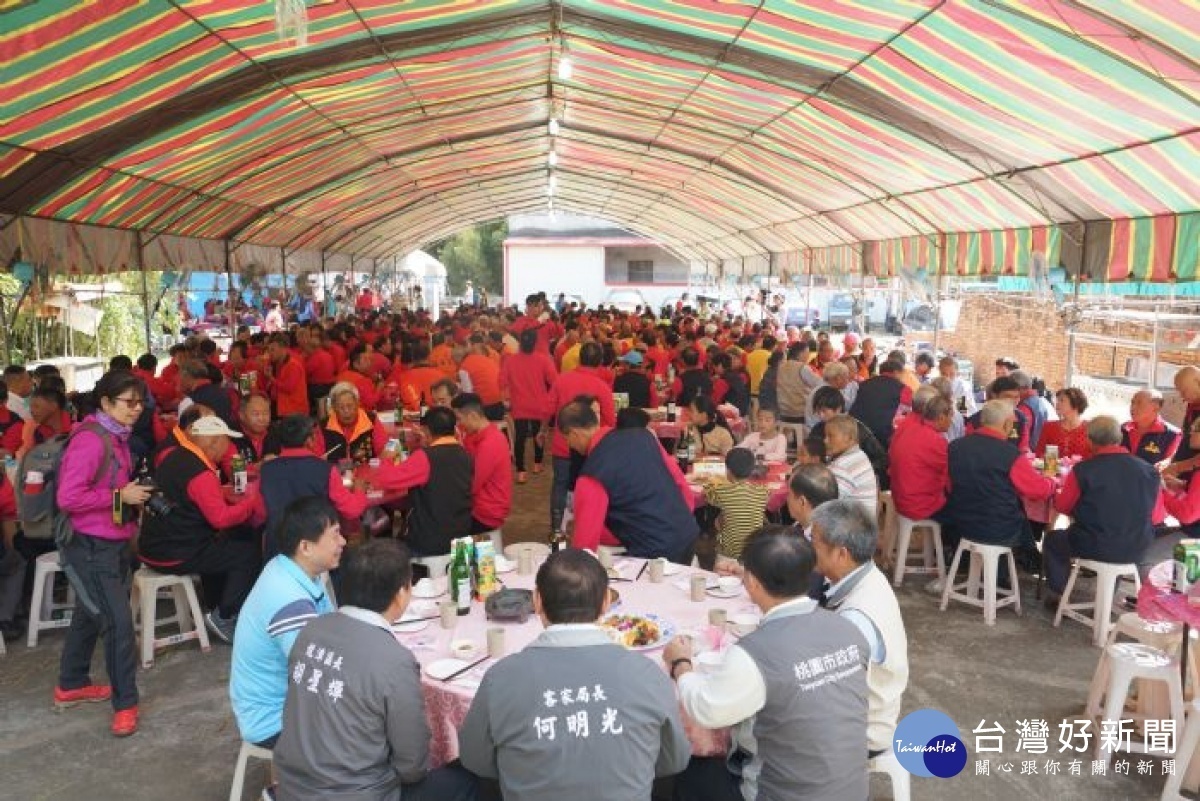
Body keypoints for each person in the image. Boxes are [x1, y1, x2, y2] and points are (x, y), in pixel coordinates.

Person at [458, 549, 691, 800]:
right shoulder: (648, 675)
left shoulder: (500, 679)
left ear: (537, 602)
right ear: (605, 602)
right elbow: (673, 761)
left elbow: (475, 760)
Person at [665, 526, 869, 801]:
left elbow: (704, 710)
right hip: (851, 790)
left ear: (751, 582)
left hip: (779, 793)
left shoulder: (753, 654)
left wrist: (680, 664)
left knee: (689, 769)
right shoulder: (846, 628)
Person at [274, 539, 477, 801]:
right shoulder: (394, 661)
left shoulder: (311, 631)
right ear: (401, 593)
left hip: (292, 789)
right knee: (471, 777)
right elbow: (412, 765)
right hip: (360, 795)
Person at [54, 370, 153, 737]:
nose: (136, 409)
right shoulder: (92, 441)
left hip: (110, 541)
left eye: (140, 402)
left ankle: (71, 682)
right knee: (118, 624)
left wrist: (130, 499)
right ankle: (125, 704)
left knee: (88, 611)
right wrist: (118, 497)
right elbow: (69, 497)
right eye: (129, 402)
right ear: (107, 403)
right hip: (90, 545)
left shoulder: (118, 437)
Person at [230, 497, 343, 759]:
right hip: (273, 721)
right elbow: (315, 675)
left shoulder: (288, 568)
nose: (343, 542)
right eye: (335, 535)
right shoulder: (290, 600)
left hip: (284, 701)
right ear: (305, 546)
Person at [137, 416, 263, 643]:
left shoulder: (172, 456)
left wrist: (222, 493)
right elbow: (221, 519)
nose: (228, 450)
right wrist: (251, 503)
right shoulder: (200, 474)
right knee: (247, 553)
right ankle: (223, 616)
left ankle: (215, 603)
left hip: (150, 546)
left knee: (228, 544)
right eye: (226, 442)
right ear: (213, 443)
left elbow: (186, 496)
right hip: (177, 553)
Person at [809, 499, 909, 759]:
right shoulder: (866, 574)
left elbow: (834, 698)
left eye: (815, 541)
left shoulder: (856, 618)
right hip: (869, 710)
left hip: (863, 733)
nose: (810, 547)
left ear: (841, 553)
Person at [559, 401, 698, 563]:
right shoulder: (644, 436)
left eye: (566, 439)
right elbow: (681, 485)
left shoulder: (593, 473)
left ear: (574, 433)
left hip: (654, 553)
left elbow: (584, 547)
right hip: (686, 533)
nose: (570, 445)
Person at [1044, 416, 1163, 603]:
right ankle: (1106, 599)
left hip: (1093, 543)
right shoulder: (1149, 471)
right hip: (1138, 547)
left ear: (1090, 441)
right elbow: (1156, 517)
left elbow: (1062, 506)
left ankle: (1057, 594)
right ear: (1119, 439)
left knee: (1053, 541)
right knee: (1116, 542)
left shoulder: (1084, 469)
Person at [941, 400, 1055, 569]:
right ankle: (1017, 567)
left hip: (960, 522)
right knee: (1019, 517)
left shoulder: (955, 447)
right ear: (1007, 424)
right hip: (997, 528)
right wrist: (1050, 479)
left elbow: (948, 486)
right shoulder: (1010, 454)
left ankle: (999, 571)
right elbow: (1039, 491)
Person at [255, 415, 368, 558]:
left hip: (278, 548)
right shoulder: (325, 469)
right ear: (310, 440)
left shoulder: (267, 469)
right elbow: (352, 510)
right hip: (315, 547)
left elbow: (259, 513)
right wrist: (359, 490)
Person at [374, 406, 472, 557]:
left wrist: (386, 458)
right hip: (461, 534)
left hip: (429, 540)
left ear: (426, 430)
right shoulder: (464, 454)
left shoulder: (425, 457)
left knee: (393, 544)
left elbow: (387, 480)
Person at [545, 341, 615, 533]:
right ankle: (583, 528)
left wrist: (542, 431)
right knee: (589, 489)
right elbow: (609, 420)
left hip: (562, 443)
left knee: (559, 485)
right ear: (600, 361)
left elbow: (548, 409)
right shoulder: (602, 386)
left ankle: (556, 530)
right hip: (589, 448)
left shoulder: (562, 379)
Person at [501, 328, 558, 482]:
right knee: (539, 434)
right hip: (540, 403)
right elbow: (554, 382)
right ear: (535, 343)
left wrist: (507, 396)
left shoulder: (510, 360)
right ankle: (537, 463)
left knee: (519, 437)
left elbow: (502, 382)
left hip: (519, 404)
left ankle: (521, 471)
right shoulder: (544, 359)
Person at [452, 393, 512, 535]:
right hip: (480, 506)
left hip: (486, 512)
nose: (459, 424)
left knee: (446, 529)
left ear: (472, 416)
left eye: (459, 419)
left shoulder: (490, 443)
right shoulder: (475, 435)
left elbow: (472, 484)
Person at [888, 394, 952, 522]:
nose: (952, 421)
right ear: (941, 417)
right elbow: (951, 478)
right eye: (951, 417)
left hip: (900, 498)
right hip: (918, 506)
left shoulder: (910, 428)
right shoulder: (935, 441)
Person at [703, 447, 770, 561]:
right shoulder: (763, 491)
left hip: (728, 553)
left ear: (728, 470)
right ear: (751, 470)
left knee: (719, 522)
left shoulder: (722, 491)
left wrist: (712, 480)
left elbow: (707, 494)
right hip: (753, 551)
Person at [319, 381, 388, 464]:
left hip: (367, 474)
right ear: (334, 408)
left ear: (357, 403)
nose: (346, 411)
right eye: (341, 407)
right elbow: (317, 459)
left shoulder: (371, 420)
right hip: (335, 475)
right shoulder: (324, 427)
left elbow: (384, 451)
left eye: (350, 405)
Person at [824, 414, 878, 519]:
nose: (825, 441)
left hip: (854, 530)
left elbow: (827, 505)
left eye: (830, 436)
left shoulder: (843, 467)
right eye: (825, 436)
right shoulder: (859, 454)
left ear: (849, 438)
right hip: (863, 524)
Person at [848, 359, 906, 451]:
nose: (903, 377)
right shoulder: (903, 388)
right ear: (896, 372)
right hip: (882, 435)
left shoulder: (865, 383)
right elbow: (908, 411)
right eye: (901, 374)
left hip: (856, 429)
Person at [1121, 389, 1180, 468]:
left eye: (1139, 403)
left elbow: (1171, 462)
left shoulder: (1173, 434)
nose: (1133, 407)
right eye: (1132, 402)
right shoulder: (1122, 429)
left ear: (1156, 408)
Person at [1037, 387, 1091, 460]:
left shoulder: (1090, 428)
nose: (1057, 403)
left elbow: (1094, 457)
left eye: (1062, 400)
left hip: (1081, 470)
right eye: (1057, 400)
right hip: (1052, 470)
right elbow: (1039, 453)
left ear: (1075, 404)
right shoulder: (1048, 426)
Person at [266, 333, 308, 417]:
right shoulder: (277, 363)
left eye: (273, 350)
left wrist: (271, 378)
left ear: (283, 349)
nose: (270, 353)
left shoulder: (293, 365)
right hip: (281, 406)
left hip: (293, 410)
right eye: (269, 350)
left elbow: (288, 388)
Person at [804, 361, 857, 427]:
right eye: (846, 377)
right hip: (818, 430)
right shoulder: (827, 392)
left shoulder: (823, 387)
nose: (848, 380)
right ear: (838, 378)